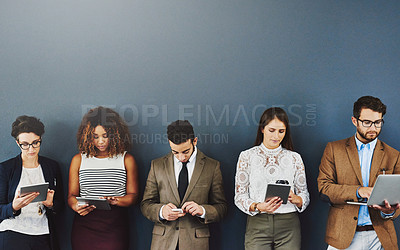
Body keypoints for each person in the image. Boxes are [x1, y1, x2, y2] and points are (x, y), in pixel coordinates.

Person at [318, 96, 400, 250]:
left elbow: (398, 196)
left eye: (378, 122)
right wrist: (358, 191)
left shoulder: (394, 155)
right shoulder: (334, 149)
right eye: (367, 122)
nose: (373, 128)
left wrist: (389, 212)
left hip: (381, 237)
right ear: (354, 121)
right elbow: (324, 188)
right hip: (342, 237)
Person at [141, 120, 227, 250]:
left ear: (195, 141)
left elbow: (222, 207)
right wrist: (161, 212)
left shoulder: (212, 166)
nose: (181, 157)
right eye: (175, 152)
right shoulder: (157, 165)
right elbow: (146, 204)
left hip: (195, 243)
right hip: (163, 242)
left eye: (185, 151)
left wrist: (203, 211)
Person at [234, 107, 310, 250]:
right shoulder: (247, 156)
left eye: (281, 131)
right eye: (272, 130)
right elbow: (239, 196)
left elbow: (304, 195)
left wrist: (297, 199)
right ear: (262, 129)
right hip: (257, 222)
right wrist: (258, 206)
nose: (276, 136)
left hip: (289, 223)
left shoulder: (294, 158)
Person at [68, 106, 139, 250]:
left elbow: (133, 196)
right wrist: (75, 206)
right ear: (87, 136)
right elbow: (71, 196)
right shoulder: (78, 160)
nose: (100, 141)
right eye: (95, 137)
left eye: (105, 136)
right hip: (85, 225)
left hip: (115, 226)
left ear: (115, 134)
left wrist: (116, 200)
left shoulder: (126, 159)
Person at [0, 115, 64, 250]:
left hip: (43, 233)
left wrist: (51, 204)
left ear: (40, 139)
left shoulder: (51, 167)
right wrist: (13, 207)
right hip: (13, 232)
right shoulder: (5, 169)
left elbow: (60, 206)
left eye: (35, 142)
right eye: (25, 144)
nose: (31, 149)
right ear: (17, 143)